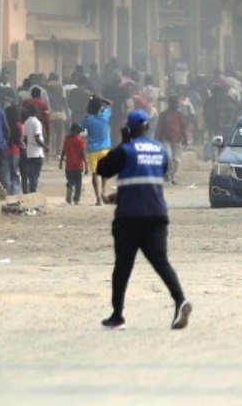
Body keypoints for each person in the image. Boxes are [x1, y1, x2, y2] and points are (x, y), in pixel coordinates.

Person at [96, 110, 192, 331]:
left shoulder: (126, 150)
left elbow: (103, 168)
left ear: (128, 128)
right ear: (147, 127)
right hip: (157, 215)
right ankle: (180, 300)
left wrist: (124, 142)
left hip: (130, 218)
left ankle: (117, 316)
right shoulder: (160, 150)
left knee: (122, 267)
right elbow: (149, 178)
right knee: (161, 262)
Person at [82, 95, 114, 206]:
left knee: (95, 174)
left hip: (93, 150)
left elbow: (82, 130)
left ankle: (98, 199)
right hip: (105, 148)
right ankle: (104, 191)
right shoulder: (104, 116)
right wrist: (101, 98)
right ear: (99, 107)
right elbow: (110, 103)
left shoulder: (87, 119)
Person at [155, 96, 189, 185]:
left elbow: (184, 127)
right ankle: (167, 175)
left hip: (177, 139)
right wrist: (157, 139)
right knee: (168, 158)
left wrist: (186, 138)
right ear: (170, 104)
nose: (175, 105)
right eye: (173, 103)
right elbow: (159, 127)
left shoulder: (180, 115)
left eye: (176, 103)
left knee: (177, 160)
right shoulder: (163, 114)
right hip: (166, 139)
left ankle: (172, 176)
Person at [59, 123, 89, 204]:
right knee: (78, 183)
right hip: (78, 166)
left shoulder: (67, 140)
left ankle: (69, 187)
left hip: (69, 165)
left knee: (70, 180)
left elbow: (63, 151)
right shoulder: (80, 141)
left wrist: (60, 162)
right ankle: (76, 199)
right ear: (78, 132)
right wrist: (86, 164)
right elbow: (82, 153)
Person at [21, 104, 46, 193]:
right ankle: (33, 191)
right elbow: (37, 137)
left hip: (29, 151)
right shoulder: (37, 122)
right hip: (37, 152)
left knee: (31, 174)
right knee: (35, 174)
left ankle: (29, 190)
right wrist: (45, 146)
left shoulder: (26, 122)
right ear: (36, 112)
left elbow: (24, 137)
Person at [22, 86, 51, 157]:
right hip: (39, 125)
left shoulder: (26, 102)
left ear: (31, 94)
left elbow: (21, 114)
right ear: (40, 94)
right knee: (39, 141)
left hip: (26, 124)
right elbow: (47, 120)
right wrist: (48, 135)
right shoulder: (43, 104)